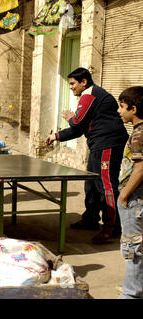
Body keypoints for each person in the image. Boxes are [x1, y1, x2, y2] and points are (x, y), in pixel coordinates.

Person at [46, 67, 129, 244]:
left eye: (73, 83)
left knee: (106, 186)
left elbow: (77, 123)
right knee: (91, 183)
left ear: (83, 82)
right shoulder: (90, 96)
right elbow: (80, 127)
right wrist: (57, 136)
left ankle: (112, 229)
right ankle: (90, 219)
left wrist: (69, 119)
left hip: (108, 145)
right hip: (97, 145)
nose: (70, 87)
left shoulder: (90, 94)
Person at [116, 86, 143, 299]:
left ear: (133, 109)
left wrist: (124, 194)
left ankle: (131, 293)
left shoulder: (139, 135)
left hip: (134, 199)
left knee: (133, 247)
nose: (119, 111)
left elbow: (141, 168)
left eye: (122, 107)